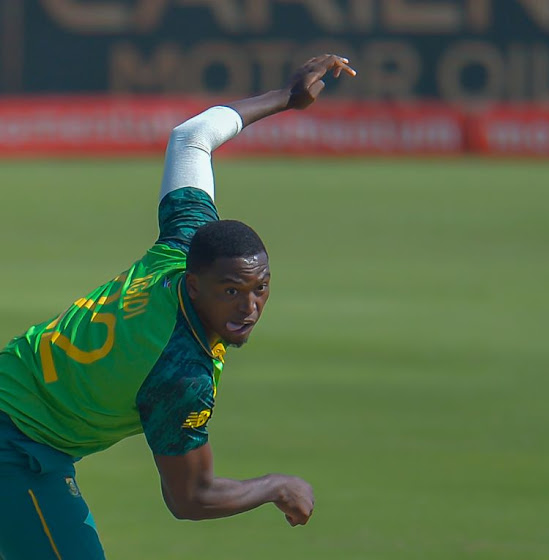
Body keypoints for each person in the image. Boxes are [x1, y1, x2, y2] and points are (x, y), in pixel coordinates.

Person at [0, 54, 356, 559]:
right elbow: (191, 497)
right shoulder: (180, 373)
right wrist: (277, 485)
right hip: (17, 449)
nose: (249, 306)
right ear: (193, 286)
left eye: (260, 288)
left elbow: (192, 137)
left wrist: (286, 97)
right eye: (231, 291)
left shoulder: (184, 244)